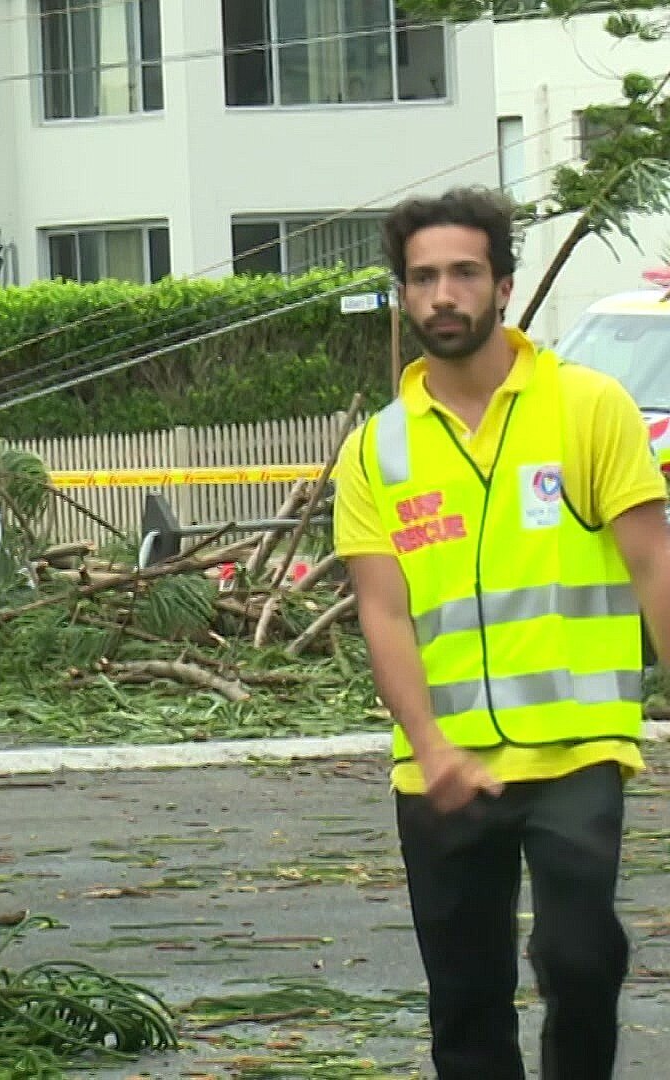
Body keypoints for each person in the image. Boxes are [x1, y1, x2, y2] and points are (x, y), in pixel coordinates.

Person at [335, 186, 670, 1078]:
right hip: (440, 766)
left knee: (579, 957)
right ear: (404, 297)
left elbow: (653, 566)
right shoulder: (378, 450)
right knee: (468, 1004)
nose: (444, 294)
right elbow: (386, 611)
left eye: (463, 273)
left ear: (504, 286)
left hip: (576, 751)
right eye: (423, 278)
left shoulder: (589, 408)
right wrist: (429, 743)